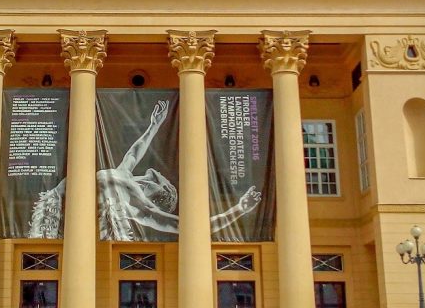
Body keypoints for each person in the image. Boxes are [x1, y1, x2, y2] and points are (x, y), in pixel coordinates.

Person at [30, 101, 262, 241]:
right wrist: (155, 124)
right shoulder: (124, 174)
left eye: (157, 178)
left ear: (159, 193)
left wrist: (238, 210)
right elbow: (135, 151)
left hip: (69, 216)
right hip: (54, 203)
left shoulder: (142, 207)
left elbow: (186, 227)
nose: (152, 172)